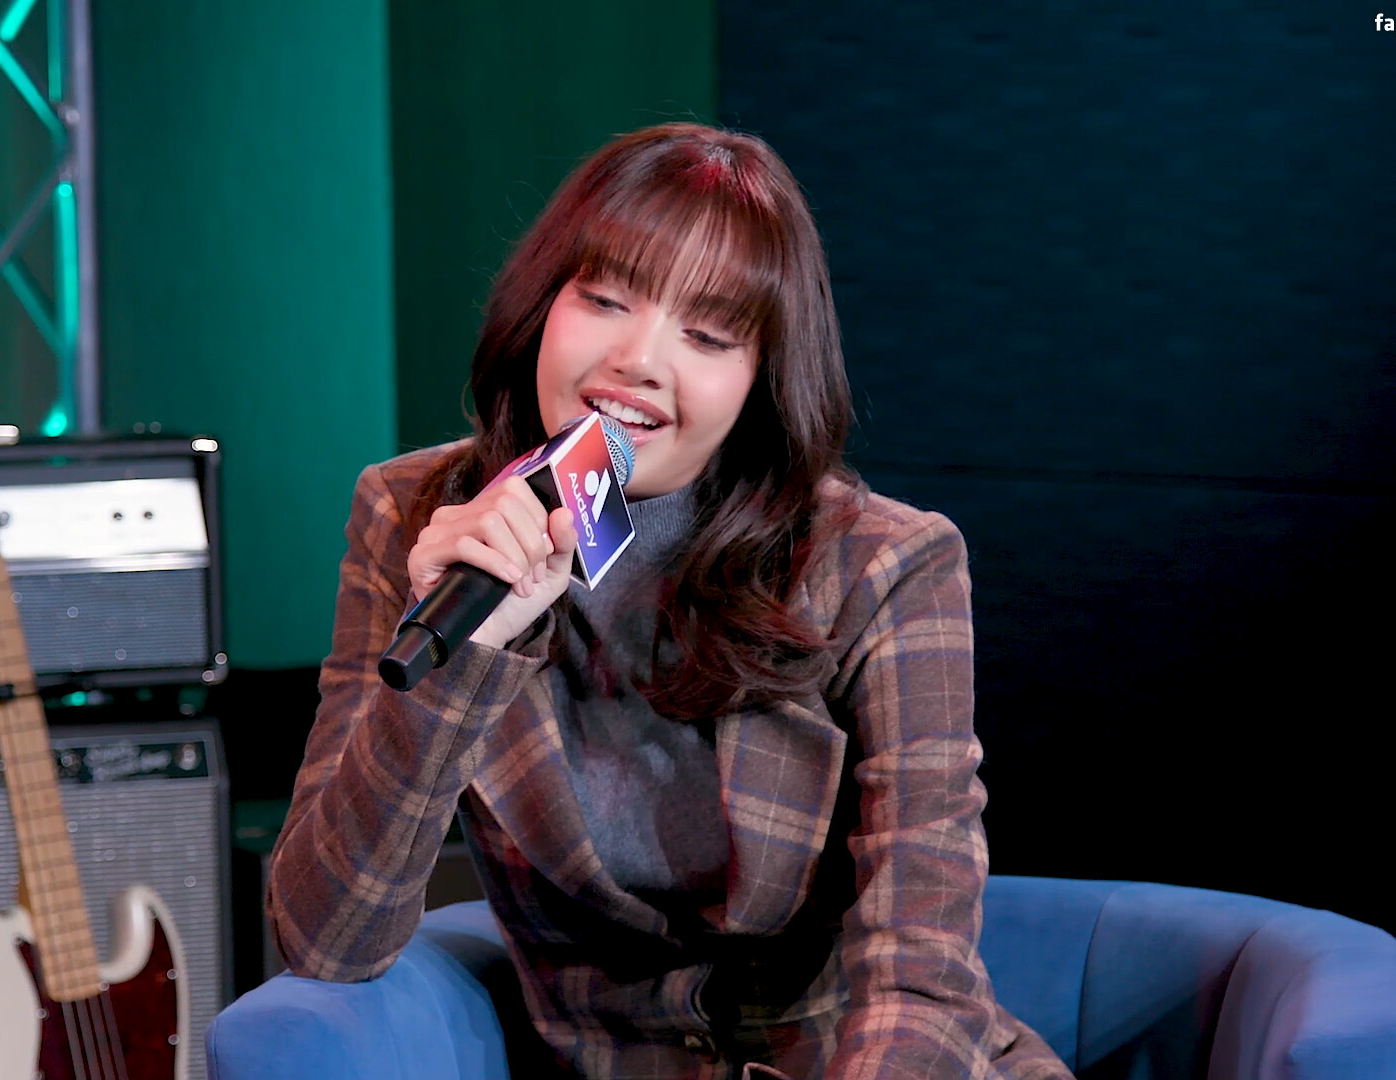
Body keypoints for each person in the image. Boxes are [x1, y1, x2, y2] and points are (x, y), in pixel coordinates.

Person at [268, 122, 1071, 1080]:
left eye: (708, 335)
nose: (640, 360)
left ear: (761, 380)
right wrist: (466, 657)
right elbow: (327, 940)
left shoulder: (882, 564)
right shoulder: (414, 515)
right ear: (542, 305)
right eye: (605, 299)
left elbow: (921, 976)